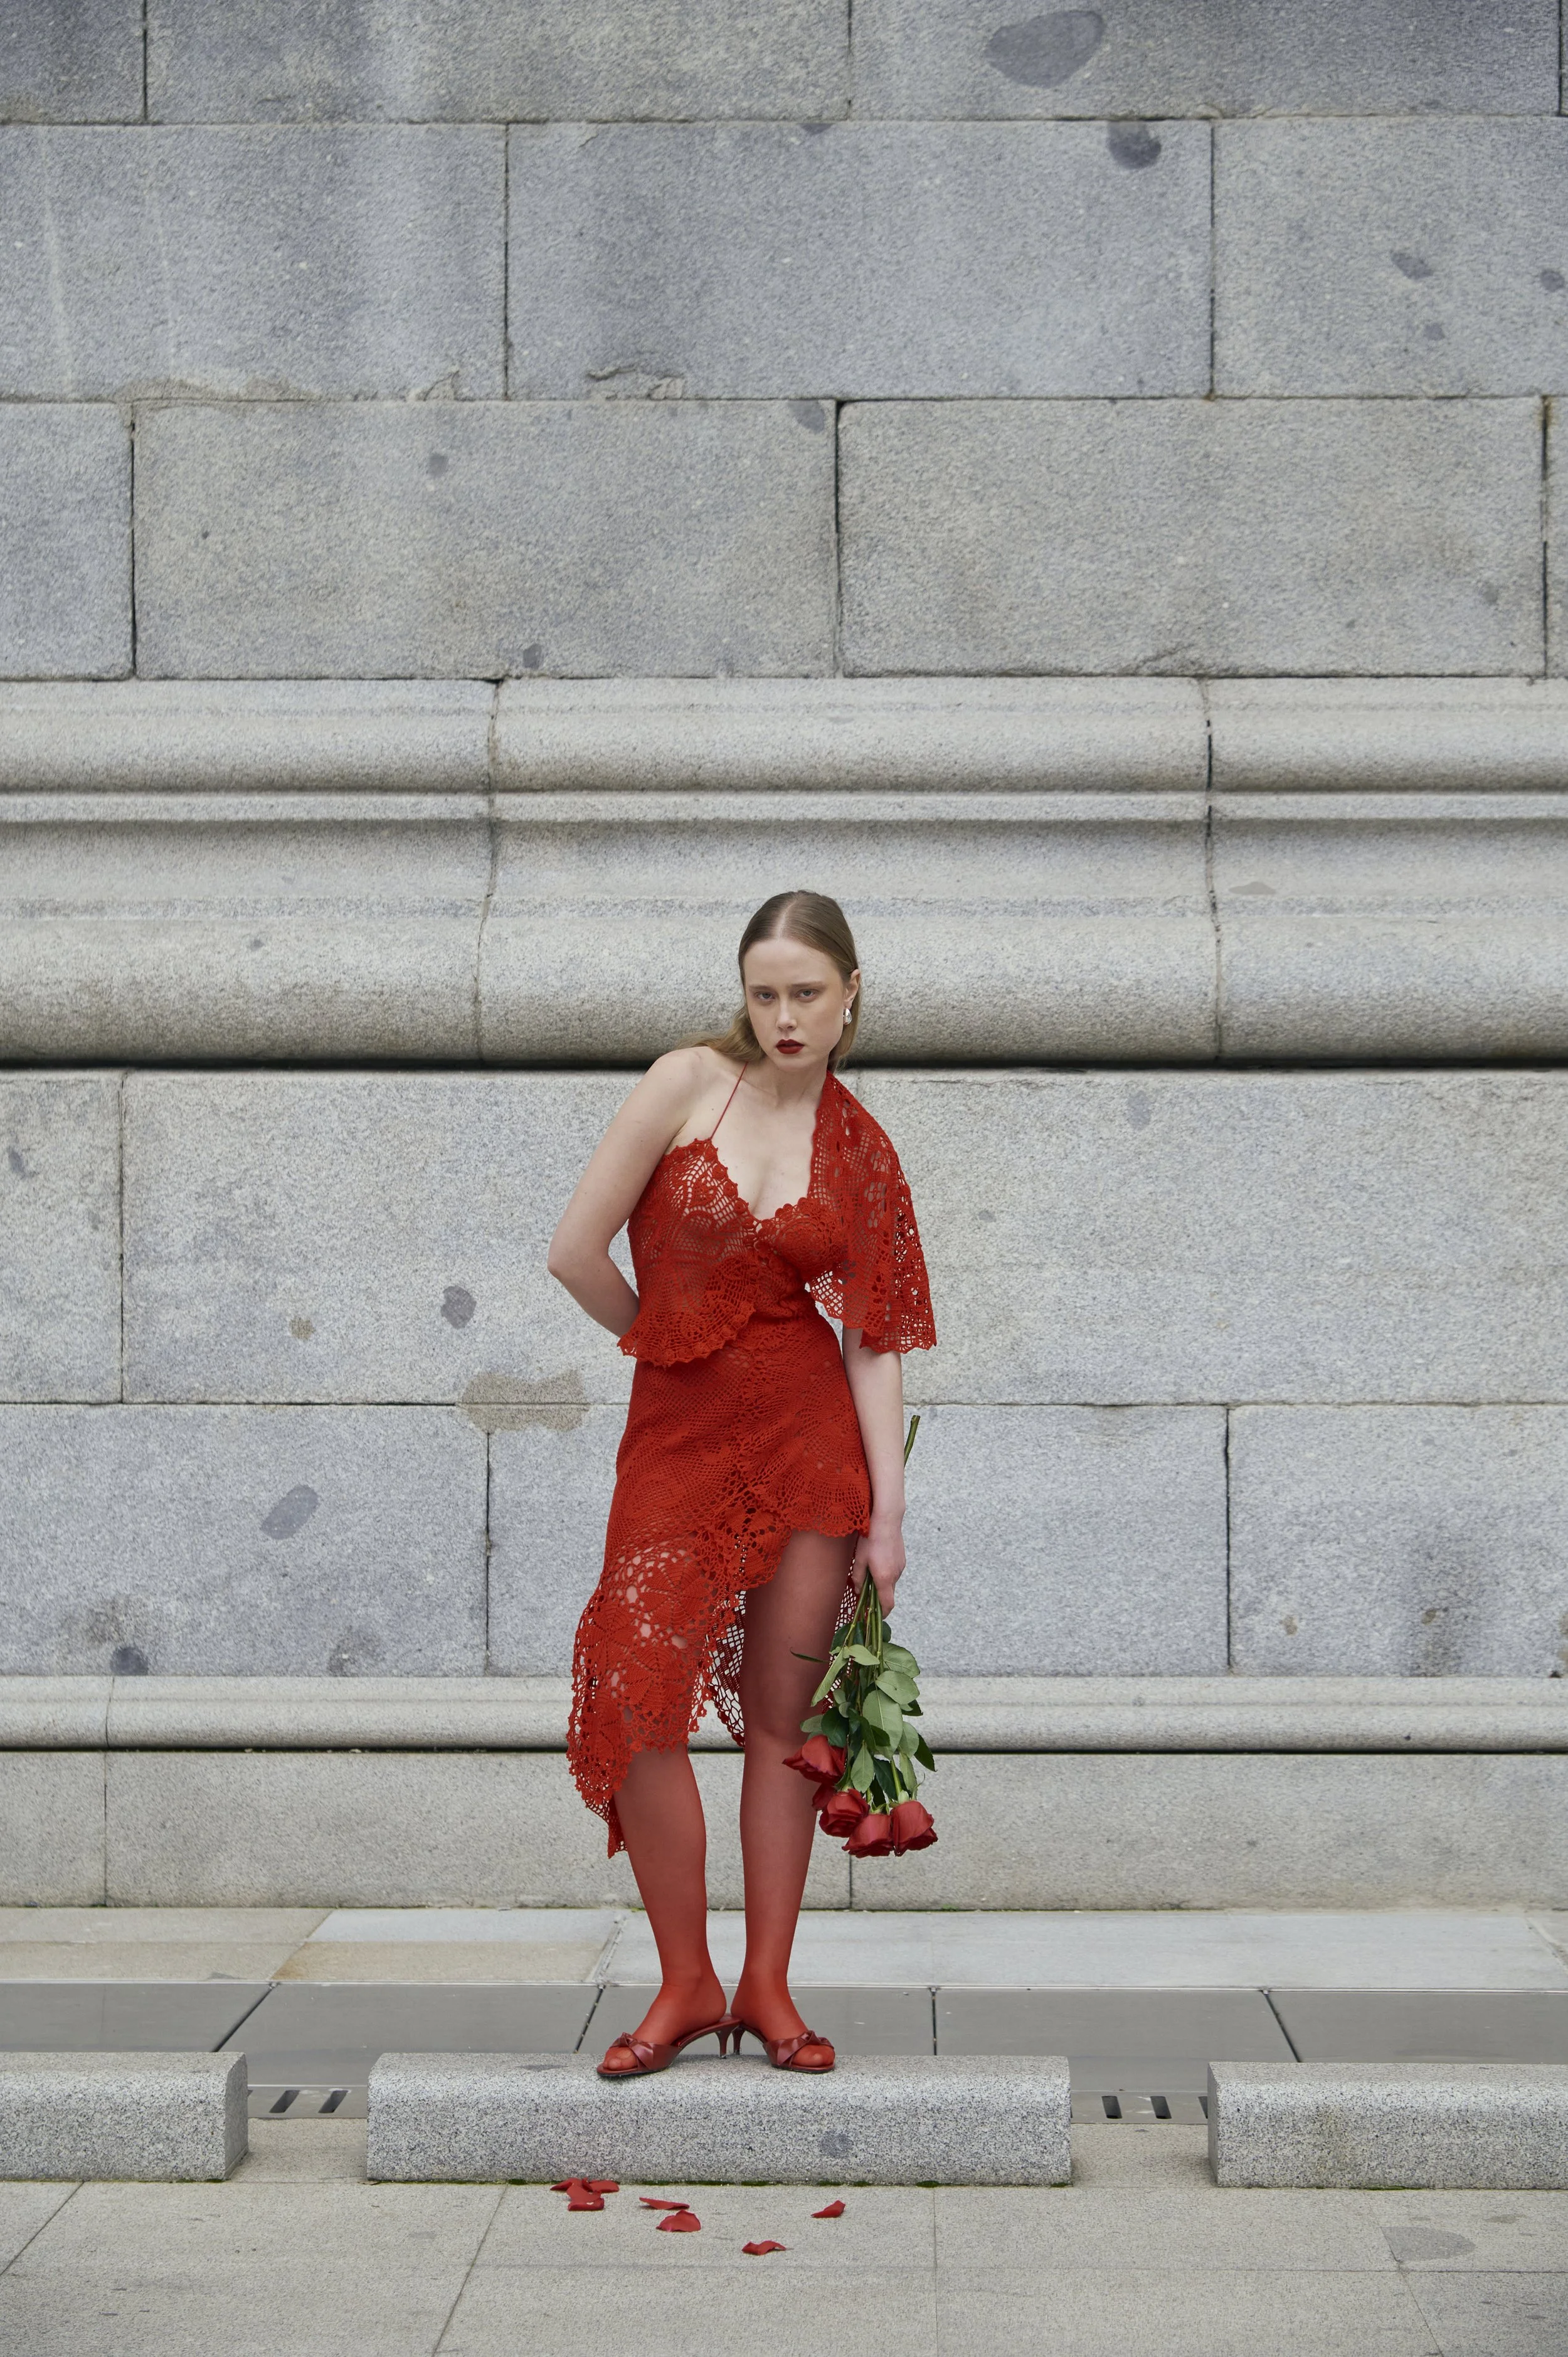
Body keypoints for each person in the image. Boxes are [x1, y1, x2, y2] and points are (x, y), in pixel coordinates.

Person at [547, 889, 936, 2077]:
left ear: (851, 993)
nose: (782, 1015)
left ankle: (767, 1984)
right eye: (763, 992)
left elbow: (873, 1338)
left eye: (806, 994)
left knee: (783, 1720)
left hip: (811, 1446)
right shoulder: (682, 1085)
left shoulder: (862, 1147)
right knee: (635, 1692)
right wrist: (665, 1335)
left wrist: (890, 1508)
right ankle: (686, 1978)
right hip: (676, 1437)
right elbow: (573, 1250)